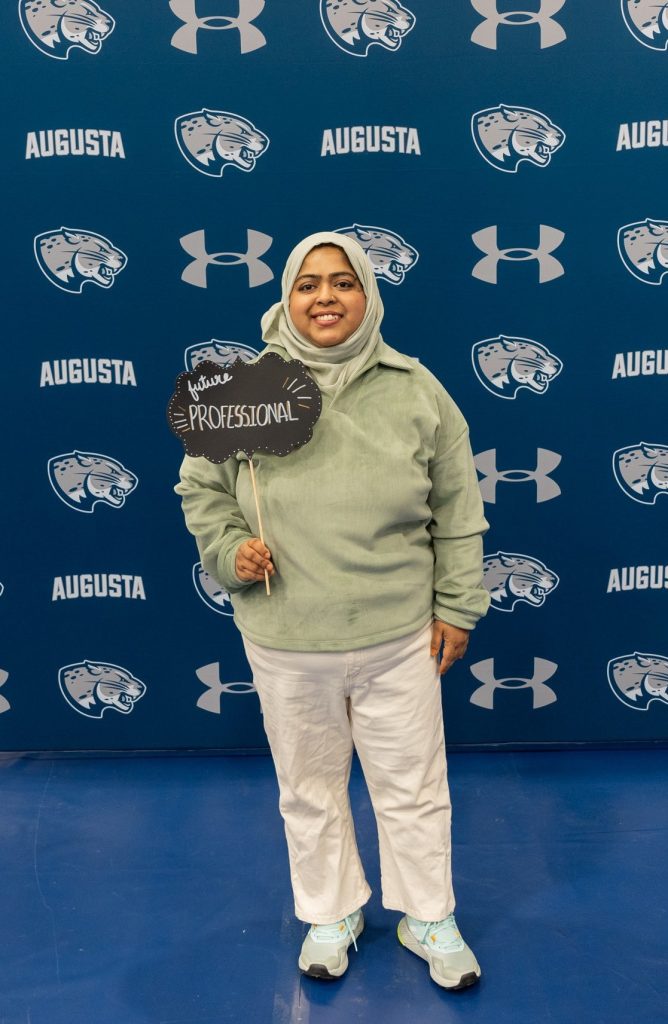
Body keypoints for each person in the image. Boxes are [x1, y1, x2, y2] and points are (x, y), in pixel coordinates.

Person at [174, 231, 490, 990]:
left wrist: (458, 603)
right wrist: (230, 552)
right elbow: (201, 490)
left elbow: (458, 504)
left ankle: (427, 914)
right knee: (309, 787)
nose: (325, 297)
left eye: (342, 283)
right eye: (308, 284)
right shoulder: (243, 391)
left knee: (412, 784)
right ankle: (330, 911)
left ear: (367, 296)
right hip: (288, 637)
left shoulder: (417, 390)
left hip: (400, 636)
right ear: (286, 297)